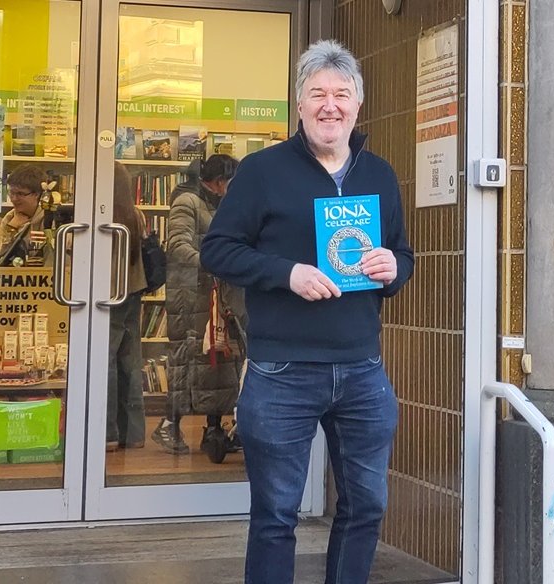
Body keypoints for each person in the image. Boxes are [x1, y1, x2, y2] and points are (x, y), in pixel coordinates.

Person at [200, 40, 414, 584]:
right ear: (299, 105)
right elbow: (217, 249)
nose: (330, 105)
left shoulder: (380, 175)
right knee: (275, 515)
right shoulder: (262, 170)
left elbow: (403, 254)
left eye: (342, 94)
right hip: (282, 371)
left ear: (357, 106)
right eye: (317, 93)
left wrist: (394, 268)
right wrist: (286, 273)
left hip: (362, 368)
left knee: (365, 506)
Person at [151, 154, 247, 463]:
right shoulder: (188, 202)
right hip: (190, 295)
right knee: (188, 361)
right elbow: (178, 245)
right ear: (220, 182)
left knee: (217, 362)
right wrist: (212, 262)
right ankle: (170, 423)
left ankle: (212, 429)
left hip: (215, 294)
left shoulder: (220, 203)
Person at [107, 162, 149, 451]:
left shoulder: (102, 216)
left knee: (104, 362)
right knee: (130, 361)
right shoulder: (136, 215)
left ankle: (107, 431)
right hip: (133, 290)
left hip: (107, 294)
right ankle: (132, 433)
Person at [0, 164, 48, 257]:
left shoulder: (49, 219)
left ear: (36, 194)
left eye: (20, 194)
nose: (14, 198)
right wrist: (12, 229)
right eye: (11, 192)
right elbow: (3, 260)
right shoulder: (9, 219)